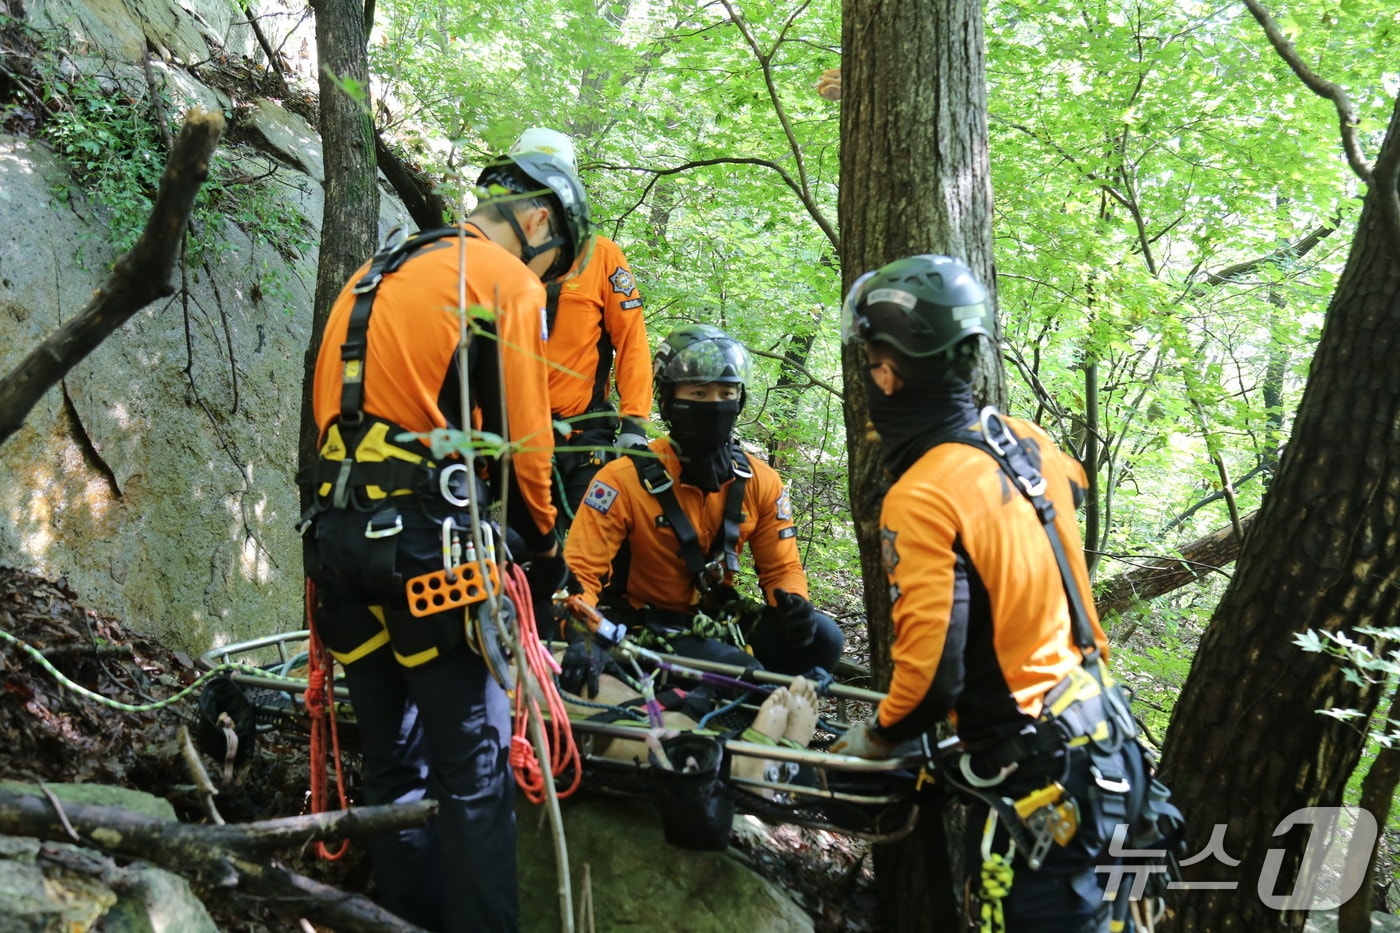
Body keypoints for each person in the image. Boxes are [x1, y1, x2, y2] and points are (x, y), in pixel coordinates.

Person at [830, 255, 1180, 932]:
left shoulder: (923, 492)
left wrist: (878, 736)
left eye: (871, 358)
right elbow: (1070, 491)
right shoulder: (1024, 441)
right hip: (1109, 741)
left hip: (1043, 776)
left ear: (888, 368)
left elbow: (933, 676)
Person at [298, 150, 592, 932]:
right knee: (475, 776)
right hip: (428, 556)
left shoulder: (376, 268)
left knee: (395, 769)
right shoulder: (506, 279)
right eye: (556, 260)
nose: (550, 276)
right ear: (538, 223)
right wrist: (544, 546)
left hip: (338, 546)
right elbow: (528, 447)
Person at [560, 323, 843, 697]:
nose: (714, 405)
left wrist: (795, 603)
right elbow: (581, 573)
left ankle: (774, 712)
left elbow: (782, 568)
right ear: (669, 401)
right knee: (744, 673)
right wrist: (581, 632)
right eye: (698, 393)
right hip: (643, 626)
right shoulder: (621, 480)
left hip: (715, 617)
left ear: (740, 402)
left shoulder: (759, 480)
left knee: (824, 639)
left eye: (726, 393)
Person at [508, 128, 652, 526]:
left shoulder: (599, 256)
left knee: (584, 555)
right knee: (518, 554)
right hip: (509, 437)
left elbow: (632, 341)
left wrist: (635, 422)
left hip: (582, 435)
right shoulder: (493, 255)